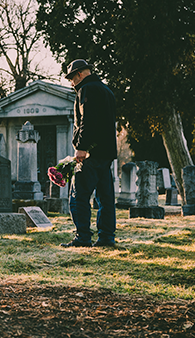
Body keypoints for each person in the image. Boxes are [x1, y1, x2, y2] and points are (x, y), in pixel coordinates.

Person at [60, 59, 118, 248]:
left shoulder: (87, 90)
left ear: (79, 74)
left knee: (78, 196)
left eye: (71, 78)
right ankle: (106, 237)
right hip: (106, 153)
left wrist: (81, 147)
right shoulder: (106, 91)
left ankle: (83, 237)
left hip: (90, 152)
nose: (71, 83)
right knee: (105, 198)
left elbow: (88, 121)